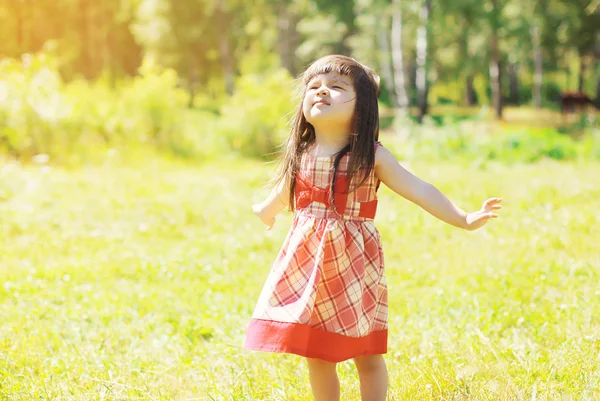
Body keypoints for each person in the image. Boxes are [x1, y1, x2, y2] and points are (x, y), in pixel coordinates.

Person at [244, 54, 502, 401]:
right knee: (317, 351)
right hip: (308, 267)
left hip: (353, 266)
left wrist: (464, 218)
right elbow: (286, 192)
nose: (321, 92)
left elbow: (419, 189)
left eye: (336, 87)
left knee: (366, 351)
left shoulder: (372, 156)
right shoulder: (303, 152)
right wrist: (266, 210)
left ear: (362, 107)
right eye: (314, 86)